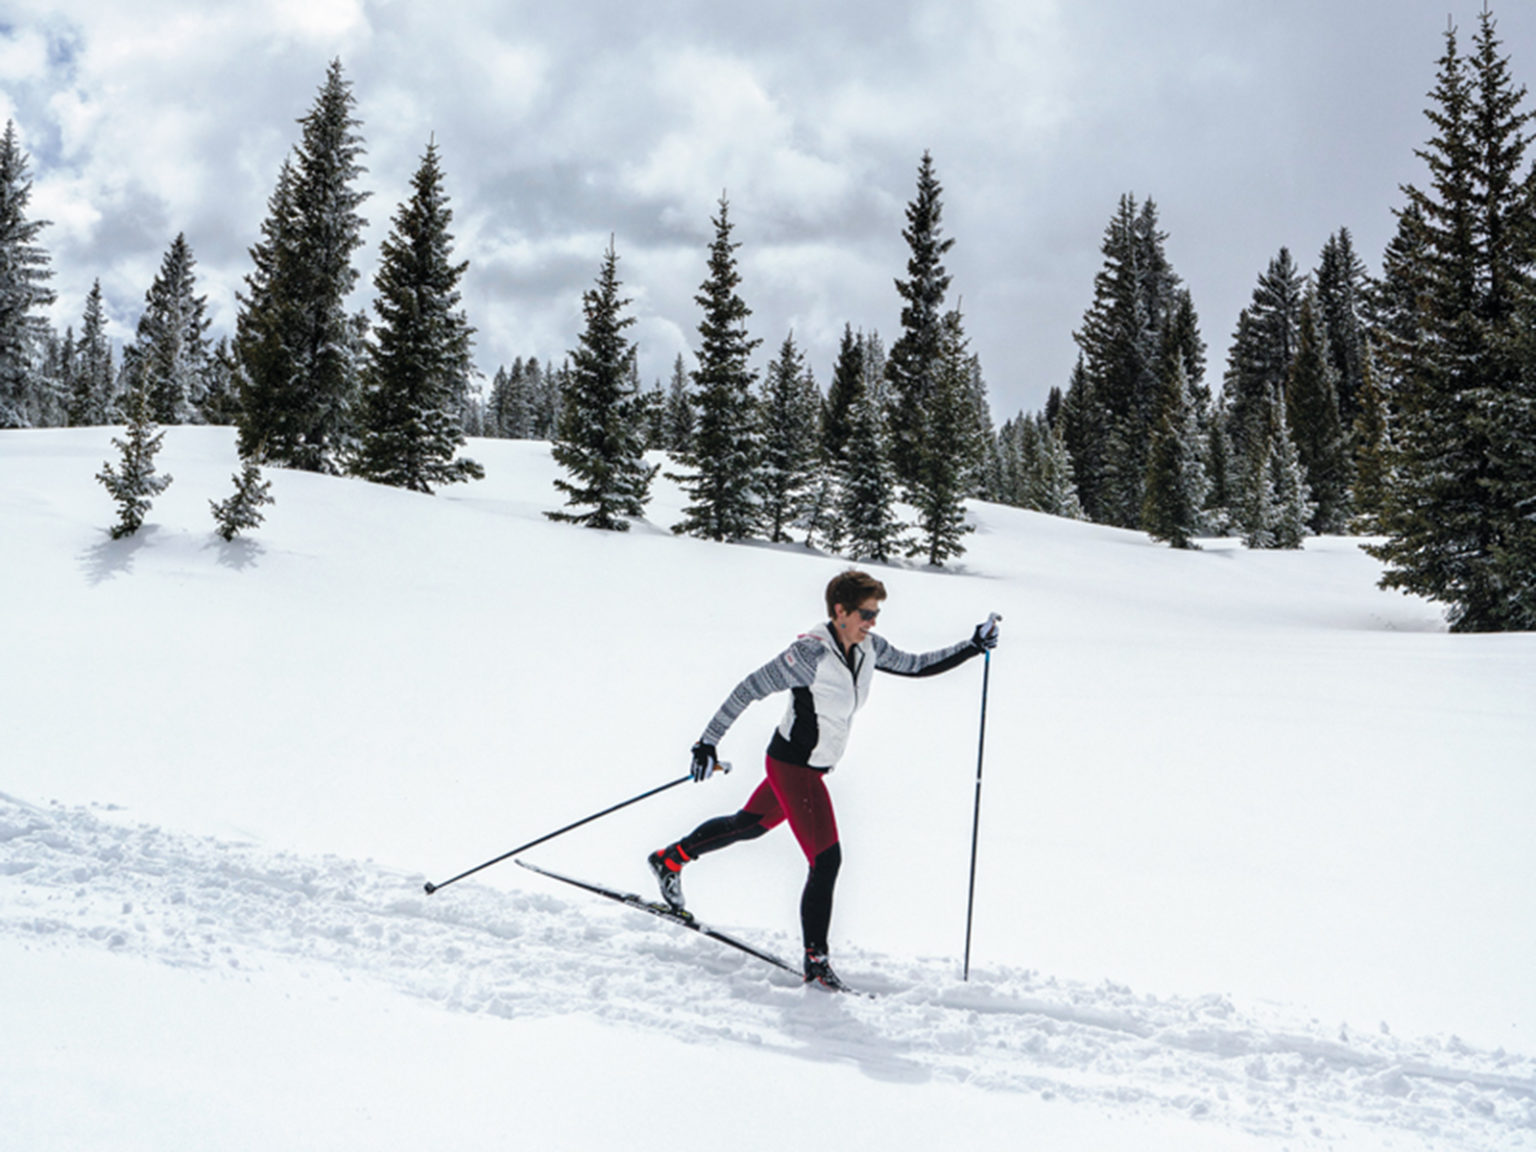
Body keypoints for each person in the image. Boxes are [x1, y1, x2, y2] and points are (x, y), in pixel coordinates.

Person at [647, 568, 1000, 991]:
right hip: (792, 766)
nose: (873, 621)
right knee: (827, 859)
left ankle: (669, 859)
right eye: (867, 613)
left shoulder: (870, 648)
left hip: (809, 767)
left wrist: (973, 646)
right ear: (840, 612)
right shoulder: (808, 655)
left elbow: (918, 666)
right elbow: (748, 689)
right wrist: (707, 743)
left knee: (748, 825)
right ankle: (816, 962)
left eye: (875, 613)